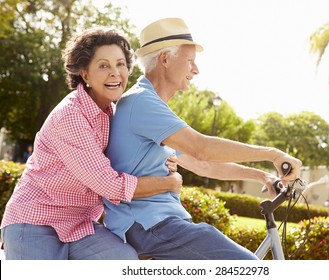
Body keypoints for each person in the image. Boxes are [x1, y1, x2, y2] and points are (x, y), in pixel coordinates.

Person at [103, 18, 302, 260]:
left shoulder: (150, 106)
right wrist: (272, 154)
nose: (196, 70)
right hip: (146, 226)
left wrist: (260, 175)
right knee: (248, 266)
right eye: (189, 61)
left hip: (156, 223)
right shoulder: (142, 103)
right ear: (165, 59)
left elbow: (202, 164)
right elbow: (202, 149)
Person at [0, 27, 182, 260]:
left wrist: (163, 161)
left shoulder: (115, 112)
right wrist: (170, 183)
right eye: (104, 66)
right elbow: (111, 185)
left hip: (81, 225)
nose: (115, 73)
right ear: (85, 74)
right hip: (35, 221)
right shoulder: (71, 115)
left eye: (121, 64)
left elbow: (136, 159)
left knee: (124, 262)